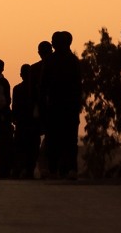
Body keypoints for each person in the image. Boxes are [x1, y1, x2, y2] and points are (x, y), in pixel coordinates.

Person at [40, 30, 82, 179]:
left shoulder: (50, 61)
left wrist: (42, 106)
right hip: (69, 107)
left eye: (54, 41)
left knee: (54, 139)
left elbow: (43, 86)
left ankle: (55, 169)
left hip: (56, 106)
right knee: (69, 140)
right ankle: (69, 169)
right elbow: (78, 86)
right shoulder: (73, 61)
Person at [28, 40, 53, 177]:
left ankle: (42, 168)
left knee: (37, 140)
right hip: (54, 108)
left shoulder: (35, 69)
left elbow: (32, 93)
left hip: (42, 109)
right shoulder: (59, 66)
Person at [11, 63, 39, 178]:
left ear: (21, 75)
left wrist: (14, 118)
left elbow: (14, 106)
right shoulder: (36, 88)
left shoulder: (17, 89)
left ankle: (20, 170)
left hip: (22, 123)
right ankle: (29, 171)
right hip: (32, 123)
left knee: (21, 148)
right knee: (32, 148)